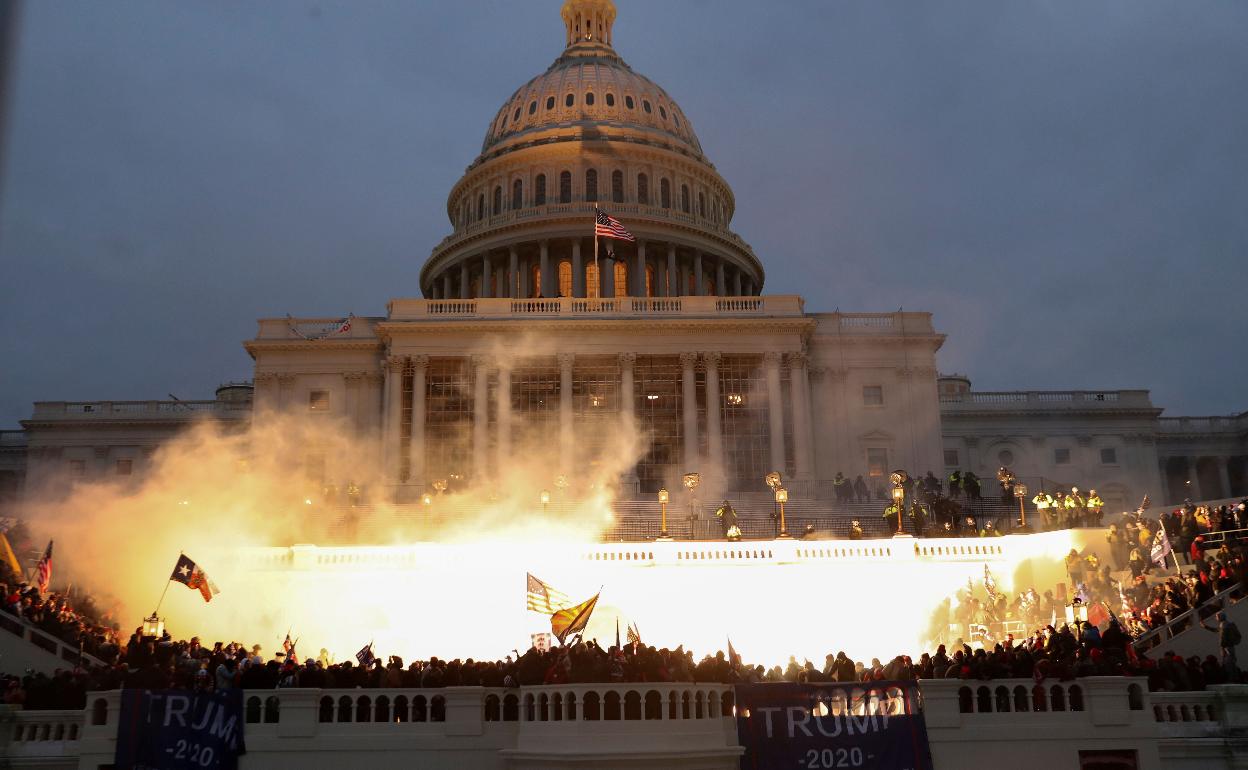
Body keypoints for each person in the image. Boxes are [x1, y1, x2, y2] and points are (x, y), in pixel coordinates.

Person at [1200, 610, 1242, 675]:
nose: (1215, 618)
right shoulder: (1226, 624)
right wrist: (1205, 626)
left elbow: (1222, 637)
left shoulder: (1223, 625)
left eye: (1216, 617)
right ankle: (1234, 674)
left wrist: (1222, 647)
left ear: (1220, 617)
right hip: (1230, 646)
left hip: (1226, 647)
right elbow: (1216, 630)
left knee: (1228, 662)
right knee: (1231, 661)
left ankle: (1232, 676)